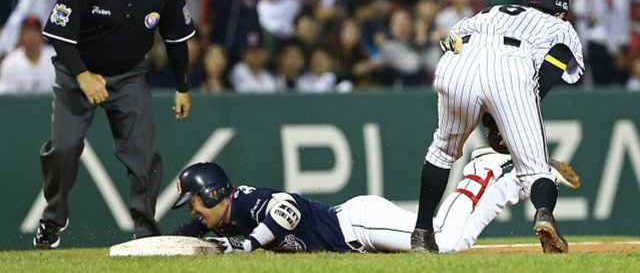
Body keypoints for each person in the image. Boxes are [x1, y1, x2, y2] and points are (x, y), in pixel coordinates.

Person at [34, 0, 195, 249]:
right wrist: (82, 75)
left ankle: (147, 233)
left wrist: (183, 86)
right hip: (77, 73)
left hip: (129, 76)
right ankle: (53, 219)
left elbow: (177, 39)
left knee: (145, 155)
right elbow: (59, 34)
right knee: (63, 149)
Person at [411, 0, 585, 254]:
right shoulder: (560, 27)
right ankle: (544, 214)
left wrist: (491, 114)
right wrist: (511, 115)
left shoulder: (488, 12)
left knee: (442, 152)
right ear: (561, 14)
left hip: (458, 62)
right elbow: (553, 67)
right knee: (537, 169)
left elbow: (450, 41)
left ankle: (422, 233)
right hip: (510, 65)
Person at [169, 148, 580, 254]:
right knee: (458, 240)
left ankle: (482, 167)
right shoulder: (217, 220)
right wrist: (152, 245)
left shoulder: (244, 203)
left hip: (358, 226)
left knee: (445, 239)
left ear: (214, 193)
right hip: (358, 232)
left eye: (194, 203)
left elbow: (286, 210)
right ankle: (515, 187)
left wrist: (249, 243)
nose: (193, 211)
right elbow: (177, 238)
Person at [0, 15, 54, 94]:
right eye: (27, 32)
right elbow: (6, 98)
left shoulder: (55, 58)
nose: (31, 37)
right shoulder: (10, 63)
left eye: (35, 31)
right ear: (20, 37)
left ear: (42, 36)